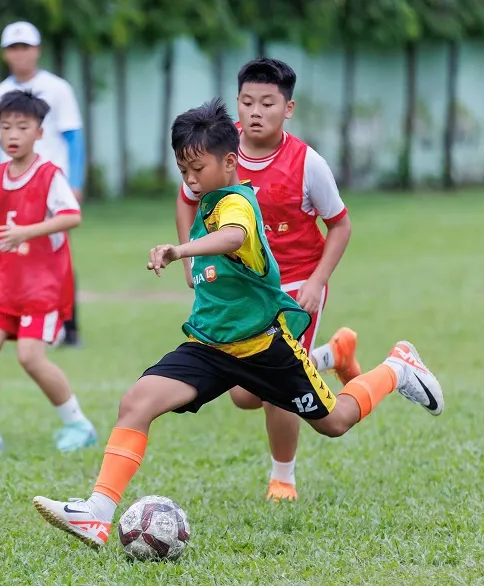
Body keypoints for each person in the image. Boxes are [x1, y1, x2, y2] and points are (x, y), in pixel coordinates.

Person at [31, 98, 444, 548]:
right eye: (182, 171)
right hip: (209, 347)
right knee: (136, 402)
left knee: (335, 422)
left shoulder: (236, 203)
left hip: (264, 349)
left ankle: (397, 367)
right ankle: (97, 513)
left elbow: (235, 236)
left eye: (197, 169)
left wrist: (180, 250)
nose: (190, 180)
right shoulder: (207, 199)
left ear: (229, 162)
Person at [176, 58, 359, 502]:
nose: (255, 111)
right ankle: (330, 356)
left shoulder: (307, 164)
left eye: (267, 103)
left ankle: (283, 479)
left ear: (288, 108)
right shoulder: (218, 154)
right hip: (244, 293)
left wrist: (317, 281)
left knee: (277, 391)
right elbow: (185, 199)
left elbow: (341, 225)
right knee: (243, 395)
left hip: (293, 292)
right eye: (246, 101)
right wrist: (188, 259)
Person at [0, 89, 97, 453]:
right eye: (5, 126)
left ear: (39, 133)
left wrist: (28, 230)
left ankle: (79, 424)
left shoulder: (50, 175)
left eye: (22, 127)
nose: (12, 134)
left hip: (42, 288)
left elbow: (73, 216)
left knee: (29, 356)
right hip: (4, 284)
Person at [0, 21, 84, 348]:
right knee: (13, 249)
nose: (20, 54)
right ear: (5, 53)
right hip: (11, 184)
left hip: (48, 183)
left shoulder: (57, 89)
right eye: (13, 48)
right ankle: (17, 317)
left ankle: (68, 325)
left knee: (55, 252)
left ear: (37, 50)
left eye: (25, 47)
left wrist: (76, 182)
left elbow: (73, 137)